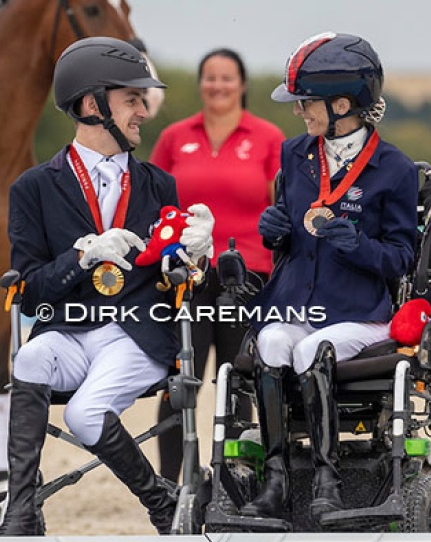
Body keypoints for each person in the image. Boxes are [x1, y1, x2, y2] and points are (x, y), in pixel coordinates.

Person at [0, 37, 215, 535]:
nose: (143, 111)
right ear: (93, 105)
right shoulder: (32, 188)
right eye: (131, 99)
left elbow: (179, 280)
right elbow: (29, 291)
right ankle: (22, 509)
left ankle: (158, 500)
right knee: (28, 359)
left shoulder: (160, 184)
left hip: (137, 335)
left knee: (85, 414)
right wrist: (82, 256)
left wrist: (197, 255)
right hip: (70, 332)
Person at [241, 33, 417, 521]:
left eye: (307, 103)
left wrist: (357, 246)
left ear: (342, 104)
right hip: (300, 303)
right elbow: (291, 235)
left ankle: (327, 478)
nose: (299, 112)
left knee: (306, 350)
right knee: (273, 340)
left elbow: (400, 258)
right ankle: (275, 480)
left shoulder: (395, 169)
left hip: (358, 311)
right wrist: (276, 231)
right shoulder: (294, 155)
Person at [149, 48, 285, 481]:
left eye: (227, 78)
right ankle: (173, 484)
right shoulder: (174, 137)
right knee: (178, 381)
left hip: (245, 278)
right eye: (210, 77)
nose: (218, 86)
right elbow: (154, 207)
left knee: (237, 381)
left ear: (242, 85)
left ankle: (236, 479)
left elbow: (281, 208)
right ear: (200, 84)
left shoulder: (266, 137)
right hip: (185, 276)